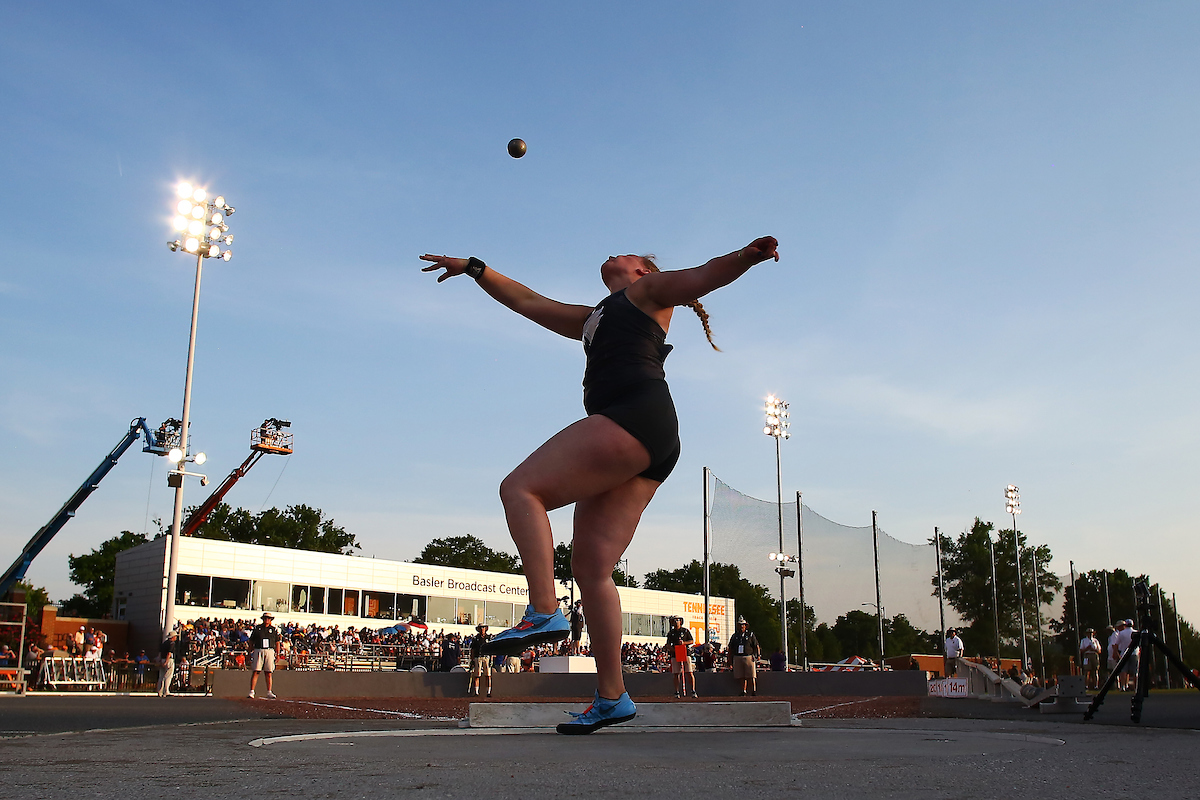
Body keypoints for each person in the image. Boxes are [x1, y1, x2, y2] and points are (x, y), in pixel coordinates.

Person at [420, 236, 780, 734]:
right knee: (591, 568)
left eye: (629, 253)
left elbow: (703, 276)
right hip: (647, 436)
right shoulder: (595, 315)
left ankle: (544, 608)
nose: (615, 252)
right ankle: (612, 696)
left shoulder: (650, 291)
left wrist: (746, 256)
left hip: (633, 415)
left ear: (642, 270)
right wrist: (477, 269)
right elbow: (530, 303)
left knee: (521, 489)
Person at [248, 612, 279, 699]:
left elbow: (277, 641)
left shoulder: (273, 629)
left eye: (268, 619)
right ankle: (252, 691)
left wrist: (278, 653)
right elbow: (251, 641)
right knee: (256, 671)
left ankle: (269, 691)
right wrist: (249, 651)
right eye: (265, 618)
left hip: (269, 650)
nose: (267, 620)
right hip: (259, 649)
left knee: (268, 672)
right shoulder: (257, 628)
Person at [728, 617, 761, 696]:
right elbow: (730, 648)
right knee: (741, 676)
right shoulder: (735, 636)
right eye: (740, 625)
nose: (741, 626)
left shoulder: (750, 635)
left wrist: (758, 655)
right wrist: (729, 660)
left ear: (746, 626)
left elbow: (756, 645)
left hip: (748, 656)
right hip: (738, 656)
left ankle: (753, 690)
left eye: (743, 625)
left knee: (751, 675)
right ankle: (744, 690)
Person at [665, 616, 696, 698]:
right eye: (674, 620)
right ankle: (677, 691)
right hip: (675, 654)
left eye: (677, 620)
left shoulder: (685, 631)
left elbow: (691, 641)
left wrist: (683, 643)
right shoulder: (671, 633)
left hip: (685, 653)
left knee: (689, 672)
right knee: (676, 673)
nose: (676, 622)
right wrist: (673, 649)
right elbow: (668, 644)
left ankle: (693, 690)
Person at [468, 624, 492, 697]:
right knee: (477, 675)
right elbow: (472, 650)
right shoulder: (475, 638)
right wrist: (472, 660)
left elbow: (491, 649)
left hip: (486, 657)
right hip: (478, 657)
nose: (482, 629)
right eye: (481, 628)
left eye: (483, 627)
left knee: (488, 675)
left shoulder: (489, 638)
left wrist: (491, 659)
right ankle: (476, 691)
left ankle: (488, 692)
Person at [1116, 618, 1139, 691]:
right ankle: (1136, 687)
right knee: (1135, 672)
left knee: (1123, 671)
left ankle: (1123, 686)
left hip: (1124, 653)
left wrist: (1116, 653)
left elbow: (1116, 644)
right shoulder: (1136, 632)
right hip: (1134, 653)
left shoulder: (1121, 633)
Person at [157, 632, 176, 697]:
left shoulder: (164, 643)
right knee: (168, 676)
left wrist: (160, 660)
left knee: (161, 676)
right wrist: (166, 661)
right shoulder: (172, 643)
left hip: (162, 659)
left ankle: (160, 691)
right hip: (169, 660)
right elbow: (169, 653)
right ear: (173, 637)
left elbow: (160, 652)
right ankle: (166, 691)